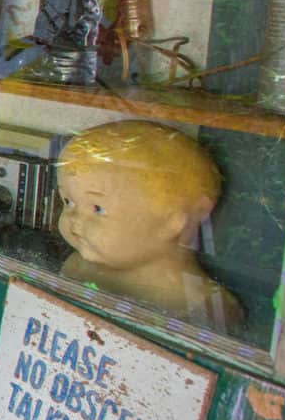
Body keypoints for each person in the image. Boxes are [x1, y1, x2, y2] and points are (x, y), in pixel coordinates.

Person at [56, 119, 243, 332]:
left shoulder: (201, 308)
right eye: (68, 202)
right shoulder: (77, 267)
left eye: (97, 209)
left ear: (173, 222)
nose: (75, 219)